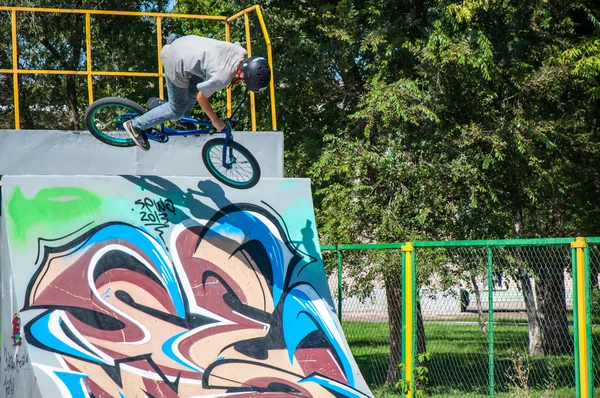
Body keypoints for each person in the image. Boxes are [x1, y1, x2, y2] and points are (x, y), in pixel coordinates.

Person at [124, 35, 271, 150]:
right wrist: (216, 121)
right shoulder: (222, 77)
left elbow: (235, 44)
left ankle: (181, 118)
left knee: (195, 87)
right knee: (177, 109)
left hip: (185, 45)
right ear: (244, 76)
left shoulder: (242, 52)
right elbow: (201, 98)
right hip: (176, 61)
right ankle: (136, 125)